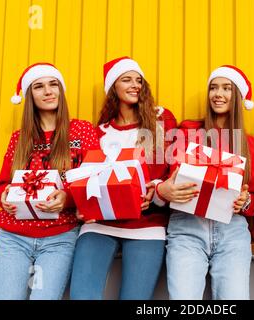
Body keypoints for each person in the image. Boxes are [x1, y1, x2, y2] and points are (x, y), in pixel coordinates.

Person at [69, 57, 177, 300]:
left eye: (138, 80)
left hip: (146, 224)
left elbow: (167, 168)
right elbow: (90, 177)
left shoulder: (160, 119)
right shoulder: (100, 132)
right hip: (101, 222)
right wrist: (82, 204)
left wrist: (155, 190)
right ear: (112, 89)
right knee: (82, 295)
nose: (135, 85)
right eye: (126, 79)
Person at [0, 62, 100, 299]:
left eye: (53, 85)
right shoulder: (19, 138)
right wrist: (4, 196)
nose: (48, 91)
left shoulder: (81, 131)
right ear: (30, 96)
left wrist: (68, 198)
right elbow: (2, 184)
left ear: (61, 90)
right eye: (39, 87)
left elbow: (95, 180)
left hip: (59, 237)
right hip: (14, 237)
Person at [157, 65, 254, 299]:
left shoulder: (250, 144)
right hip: (188, 226)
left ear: (237, 97)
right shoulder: (188, 130)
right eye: (213, 88)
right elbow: (172, 177)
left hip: (232, 230)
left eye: (226, 88)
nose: (218, 94)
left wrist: (245, 201)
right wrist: (167, 190)